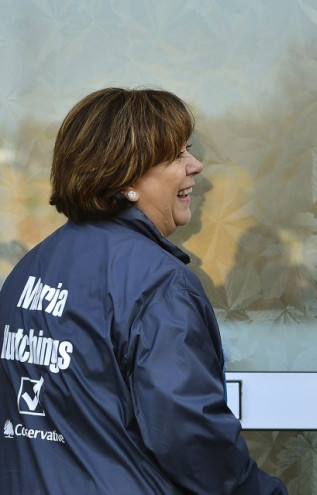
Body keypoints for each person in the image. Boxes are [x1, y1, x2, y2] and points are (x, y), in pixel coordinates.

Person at [0, 88, 287, 494]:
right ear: (125, 175)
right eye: (177, 156)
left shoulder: (30, 270)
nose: (197, 166)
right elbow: (190, 434)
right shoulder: (155, 282)